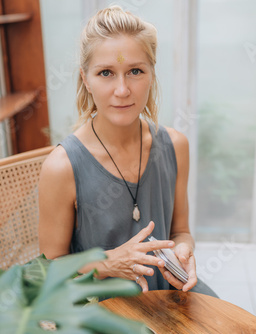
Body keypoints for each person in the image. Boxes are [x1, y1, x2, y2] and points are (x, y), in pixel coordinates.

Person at [38, 5, 217, 297]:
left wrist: (183, 252)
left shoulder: (175, 146)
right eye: (106, 73)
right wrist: (109, 263)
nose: (122, 90)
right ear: (86, 79)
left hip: (168, 296)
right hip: (99, 308)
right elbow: (50, 267)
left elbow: (180, 232)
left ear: (151, 74)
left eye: (135, 71)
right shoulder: (62, 166)